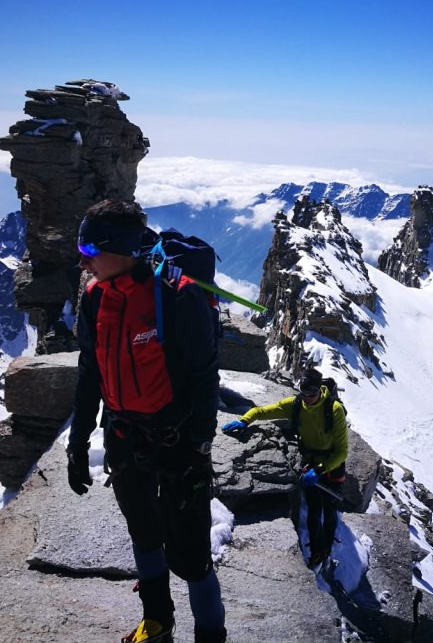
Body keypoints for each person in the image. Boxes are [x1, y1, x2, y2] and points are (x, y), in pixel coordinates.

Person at [66, 199, 226, 643]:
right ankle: (157, 622)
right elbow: (89, 373)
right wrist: (78, 442)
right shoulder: (95, 298)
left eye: (89, 249)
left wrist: (200, 444)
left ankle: (211, 635)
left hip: (179, 443)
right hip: (124, 436)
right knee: (144, 535)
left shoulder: (177, 296)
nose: (83, 260)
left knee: (191, 556)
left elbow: (203, 375)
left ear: (120, 248)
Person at [221, 367, 348, 569]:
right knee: (315, 510)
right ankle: (318, 552)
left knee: (330, 510)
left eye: (312, 394)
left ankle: (326, 546)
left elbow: (342, 452)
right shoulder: (296, 405)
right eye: (304, 394)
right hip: (311, 464)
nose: (307, 399)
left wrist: (320, 470)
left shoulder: (334, 410)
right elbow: (263, 411)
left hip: (331, 465)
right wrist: (245, 420)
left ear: (319, 390)